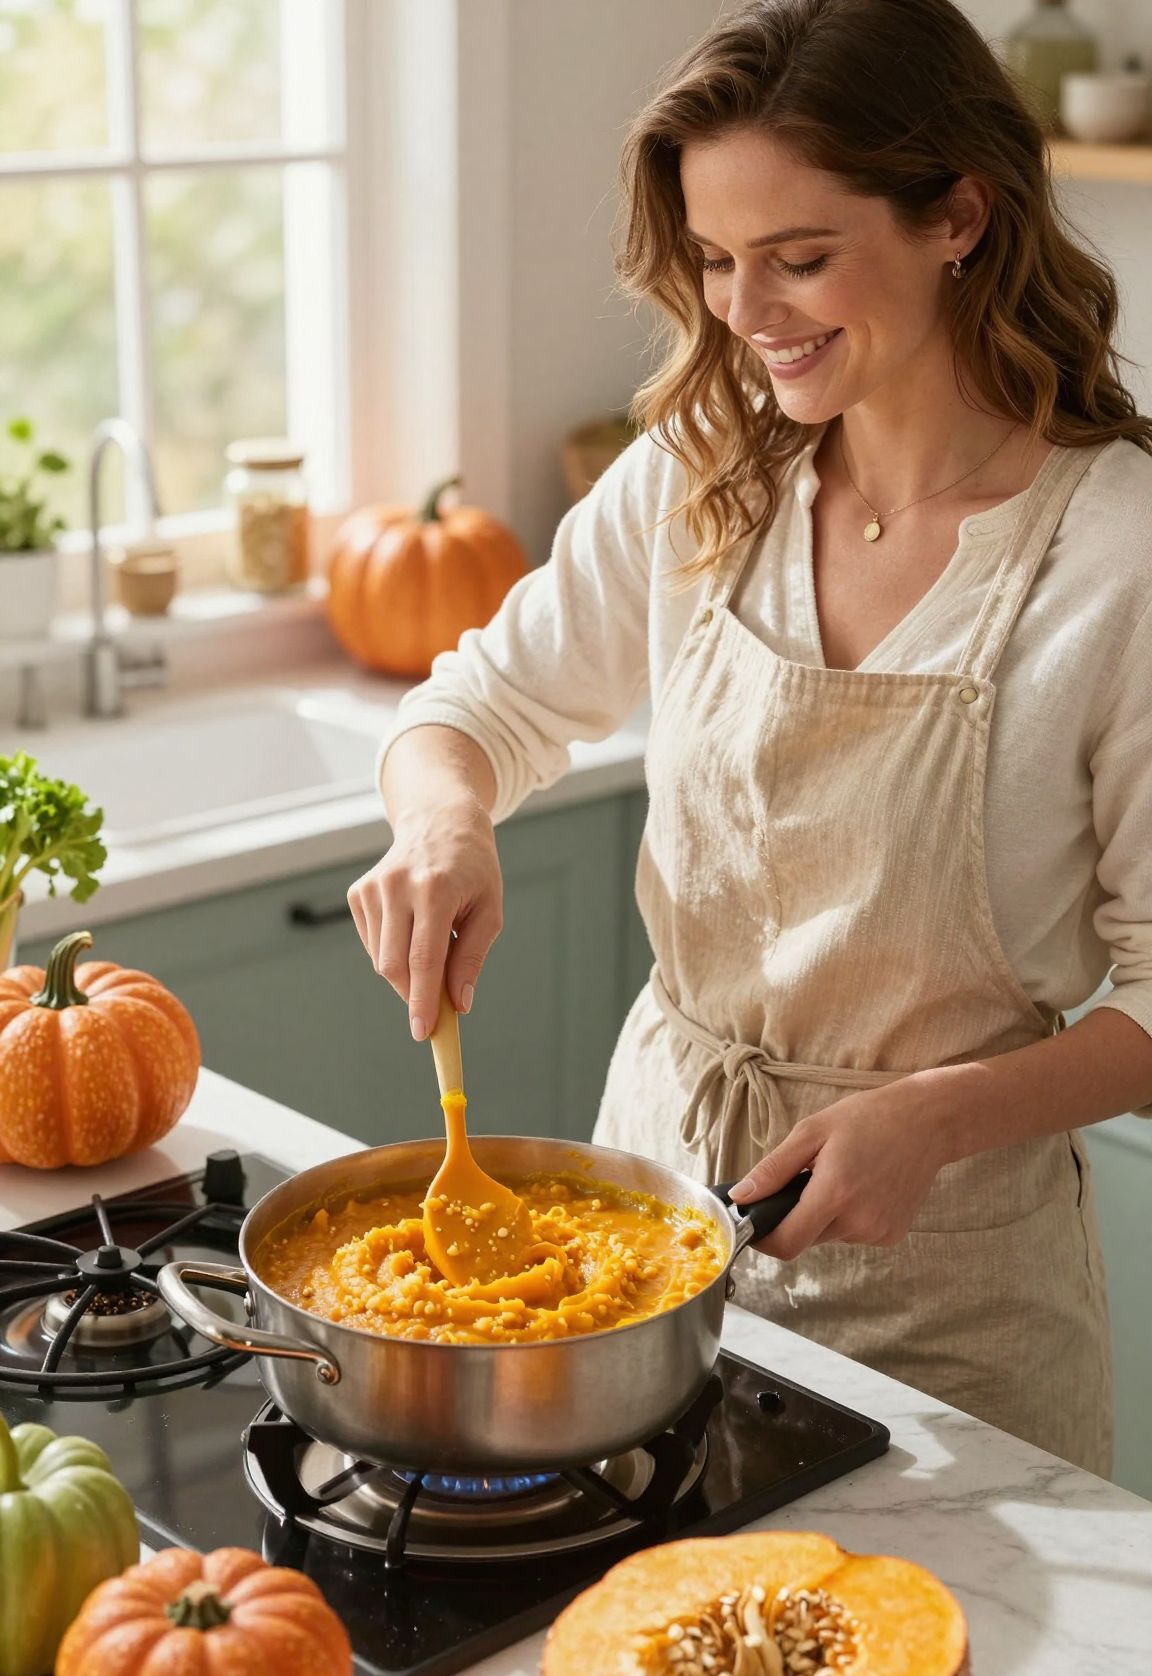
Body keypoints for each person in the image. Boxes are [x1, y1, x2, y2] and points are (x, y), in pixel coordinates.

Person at [349, 0, 1152, 1477]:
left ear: (958, 216)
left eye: (799, 257)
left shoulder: (1120, 559)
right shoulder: (703, 474)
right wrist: (445, 822)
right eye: (716, 260)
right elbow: (471, 709)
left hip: (955, 1289)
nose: (745, 310)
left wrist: (936, 1117)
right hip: (646, 1240)